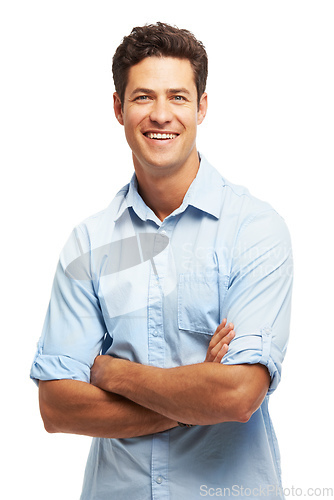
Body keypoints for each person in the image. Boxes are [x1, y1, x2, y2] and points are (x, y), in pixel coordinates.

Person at [30, 22, 293, 500]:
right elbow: (58, 407)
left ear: (201, 107)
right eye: (143, 97)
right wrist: (192, 395)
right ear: (118, 108)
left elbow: (237, 395)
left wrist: (111, 373)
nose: (161, 115)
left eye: (177, 97)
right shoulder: (88, 243)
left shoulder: (254, 231)